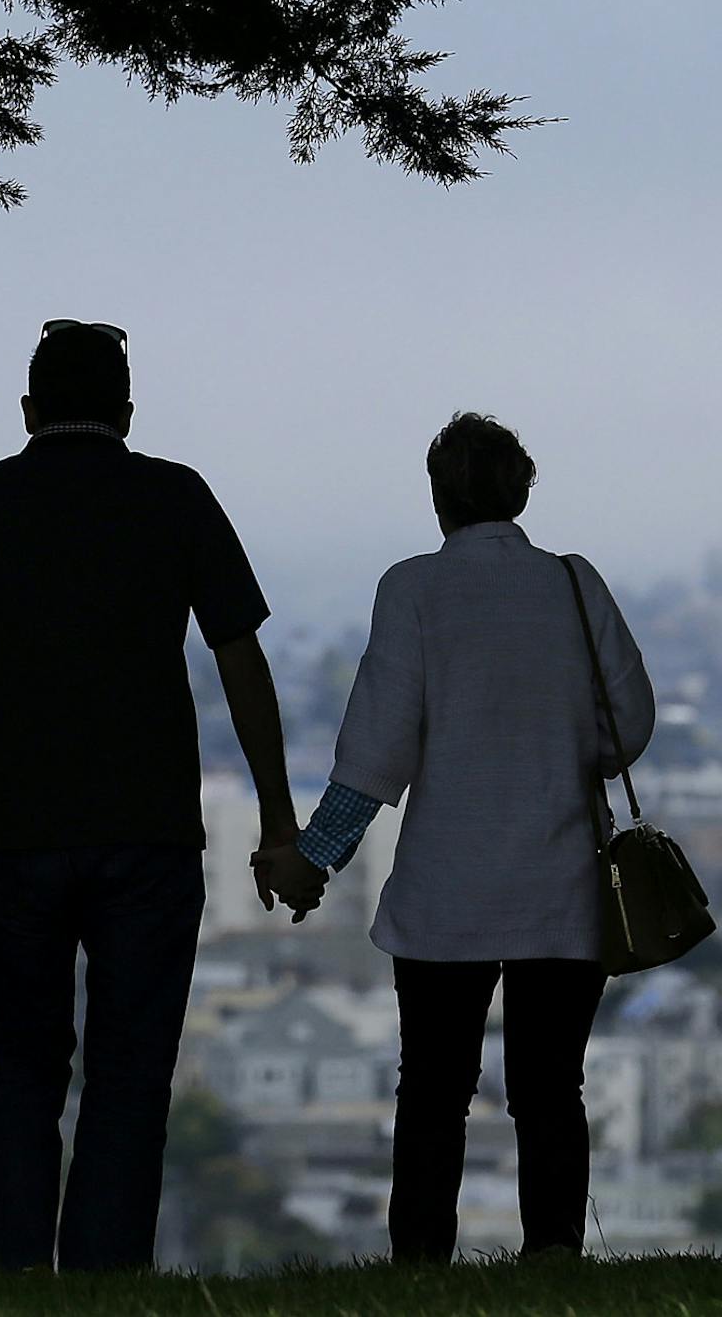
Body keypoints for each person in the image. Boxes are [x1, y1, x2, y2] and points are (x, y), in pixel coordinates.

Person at [0, 319, 299, 1273]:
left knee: (24, 1064)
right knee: (130, 1077)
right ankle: (106, 1278)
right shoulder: (175, 496)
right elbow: (240, 660)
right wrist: (278, 817)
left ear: (29, 410)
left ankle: (10, 1273)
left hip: (18, 830)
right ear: (125, 410)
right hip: (148, 829)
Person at [256, 411, 657, 1263]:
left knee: (433, 1090)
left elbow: (376, 749)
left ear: (439, 497)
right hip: (563, 887)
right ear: (521, 489)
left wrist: (314, 856)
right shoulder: (576, 583)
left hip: (448, 894)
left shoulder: (414, 589)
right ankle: (552, 1254)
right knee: (552, 1088)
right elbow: (631, 720)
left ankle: (421, 1263)